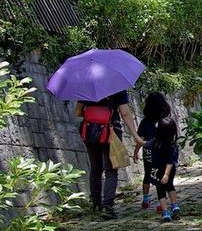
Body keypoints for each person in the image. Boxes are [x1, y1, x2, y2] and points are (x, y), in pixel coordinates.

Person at [76, 90, 144, 219]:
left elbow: (78, 112)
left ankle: (96, 204)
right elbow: (125, 113)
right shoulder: (117, 88)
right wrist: (135, 136)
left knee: (95, 168)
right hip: (111, 132)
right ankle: (107, 207)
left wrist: (94, 115)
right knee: (111, 169)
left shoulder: (87, 88)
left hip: (90, 132)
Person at [134, 92, 171, 210]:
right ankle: (162, 203)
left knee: (147, 175)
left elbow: (141, 139)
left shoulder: (145, 122)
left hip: (149, 153)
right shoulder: (166, 120)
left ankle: (145, 199)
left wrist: (135, 152)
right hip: (163, 152)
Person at [146, 117, 182, 222]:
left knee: (160, 190)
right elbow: (171, 162)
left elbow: (145, 144)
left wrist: (137, 138)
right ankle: (175, 205)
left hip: (156, 171)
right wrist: (167, 174)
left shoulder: (155, 142)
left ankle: (165, 212)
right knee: (170, 186)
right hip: (169, 171)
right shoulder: (173, 146)